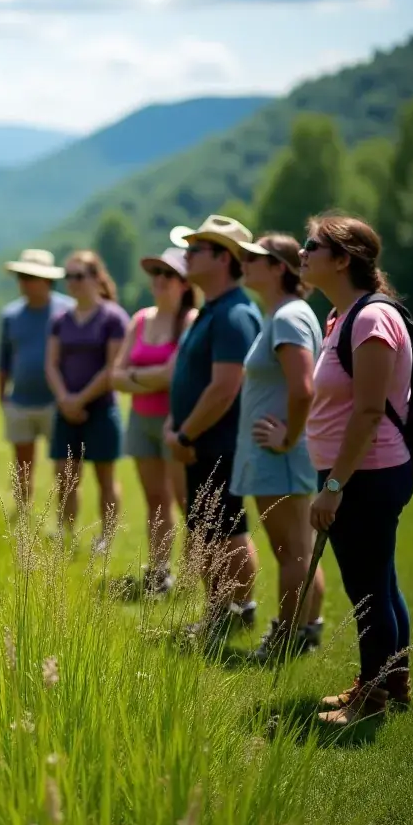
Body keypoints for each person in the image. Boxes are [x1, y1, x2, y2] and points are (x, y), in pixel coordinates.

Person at [302, 214, 413, 725]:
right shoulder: (342, 317)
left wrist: (333, 485)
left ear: (343, 259)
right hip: (357, 474)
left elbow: (369, 412)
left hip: (364, 476)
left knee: (368, 591)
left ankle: (370, 700)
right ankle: (392, 682)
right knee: (382, 583)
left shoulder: (370, 320)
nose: (302, 255)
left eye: (312, 246)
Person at [166, 215, 262, 647]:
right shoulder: (212, 310)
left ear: (224, 258)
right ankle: (218, 612)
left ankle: (237, 613)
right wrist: (180, 427)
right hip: (199, 441)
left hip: (217, 442)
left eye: (195, 250)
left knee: (228, 530)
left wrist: (185, 434)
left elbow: (226, 387)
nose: (185, 257)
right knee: (208, 529)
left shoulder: (234, 313)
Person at [233, 233, 325, 662]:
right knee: (300, 549)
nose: (245, 261)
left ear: (279, 269)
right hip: (278, 456)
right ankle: (307, 629)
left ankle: (286, 639)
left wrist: (288, 437)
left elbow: (303, 388)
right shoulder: (284, 314)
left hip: (281, 455)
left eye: (256, 257)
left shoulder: (288, 317)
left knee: (291, 552)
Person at [112, 247, 197, 595]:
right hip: (141, 420)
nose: (159, 281)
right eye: (156, 274)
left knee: (186, 501)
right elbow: (114, 376)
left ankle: (193, 576)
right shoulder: (140, 320)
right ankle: (159, 572)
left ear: (184, 283)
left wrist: (134, 375)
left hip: (175, 420)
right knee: (154, 499)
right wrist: (149, 376)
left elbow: (173, 373)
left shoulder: (190, 320)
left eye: (168, 275)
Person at [45, 250, 129, 552]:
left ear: (96, 278)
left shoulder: (113, 318)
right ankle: (66, 533)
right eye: (68, 277)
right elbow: (51, 364)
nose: (73, 283)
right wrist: (65, 399)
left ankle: (105, 539)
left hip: (101, 408)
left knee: (105, 478)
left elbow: (113, 367)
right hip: (66, 409)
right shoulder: (60, 320)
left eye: (79, 276)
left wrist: (80, 399)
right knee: (65, 477)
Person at [0, 249, 74, 512]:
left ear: (46, 280)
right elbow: (3, 360)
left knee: (64, 469)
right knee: (22, 467)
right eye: (21, 277)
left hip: (57, 402)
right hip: (20, 401)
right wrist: (1, 396)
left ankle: (64, 525)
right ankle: (22, 516)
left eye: (29, 277)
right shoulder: (10, 315)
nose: (24, 283)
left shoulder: (67, 311)